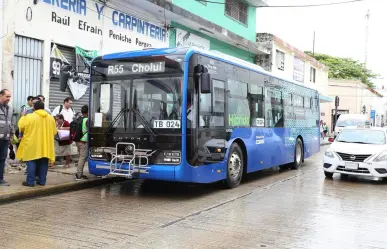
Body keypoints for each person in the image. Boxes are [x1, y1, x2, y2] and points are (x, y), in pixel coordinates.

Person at [18, 101, 56, 187]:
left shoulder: (29, 117)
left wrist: (23, 116)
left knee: (31, 161)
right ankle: (42, 181)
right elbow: (54, 132)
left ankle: (30, 182)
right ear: (43, 108)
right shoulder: (50, 118)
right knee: (43, 162)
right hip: (46, 145)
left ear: (34, 108)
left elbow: (21, 126)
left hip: (32, 144)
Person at [0, 89, 14, 186]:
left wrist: (11, 137)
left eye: (10, 97)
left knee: (2, 159)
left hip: (5, 139)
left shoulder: (10, 109)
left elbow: (11, 124)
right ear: (1, 96)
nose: (9, 98)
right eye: (7, 96)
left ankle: (0, 179)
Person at [75, 105, 88, 180]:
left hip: (77, 141)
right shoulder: (87, 120)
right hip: (83, 142)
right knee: (82, 158)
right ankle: (79, 175)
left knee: (81, 157)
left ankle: (80, 173)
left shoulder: (79, 118)